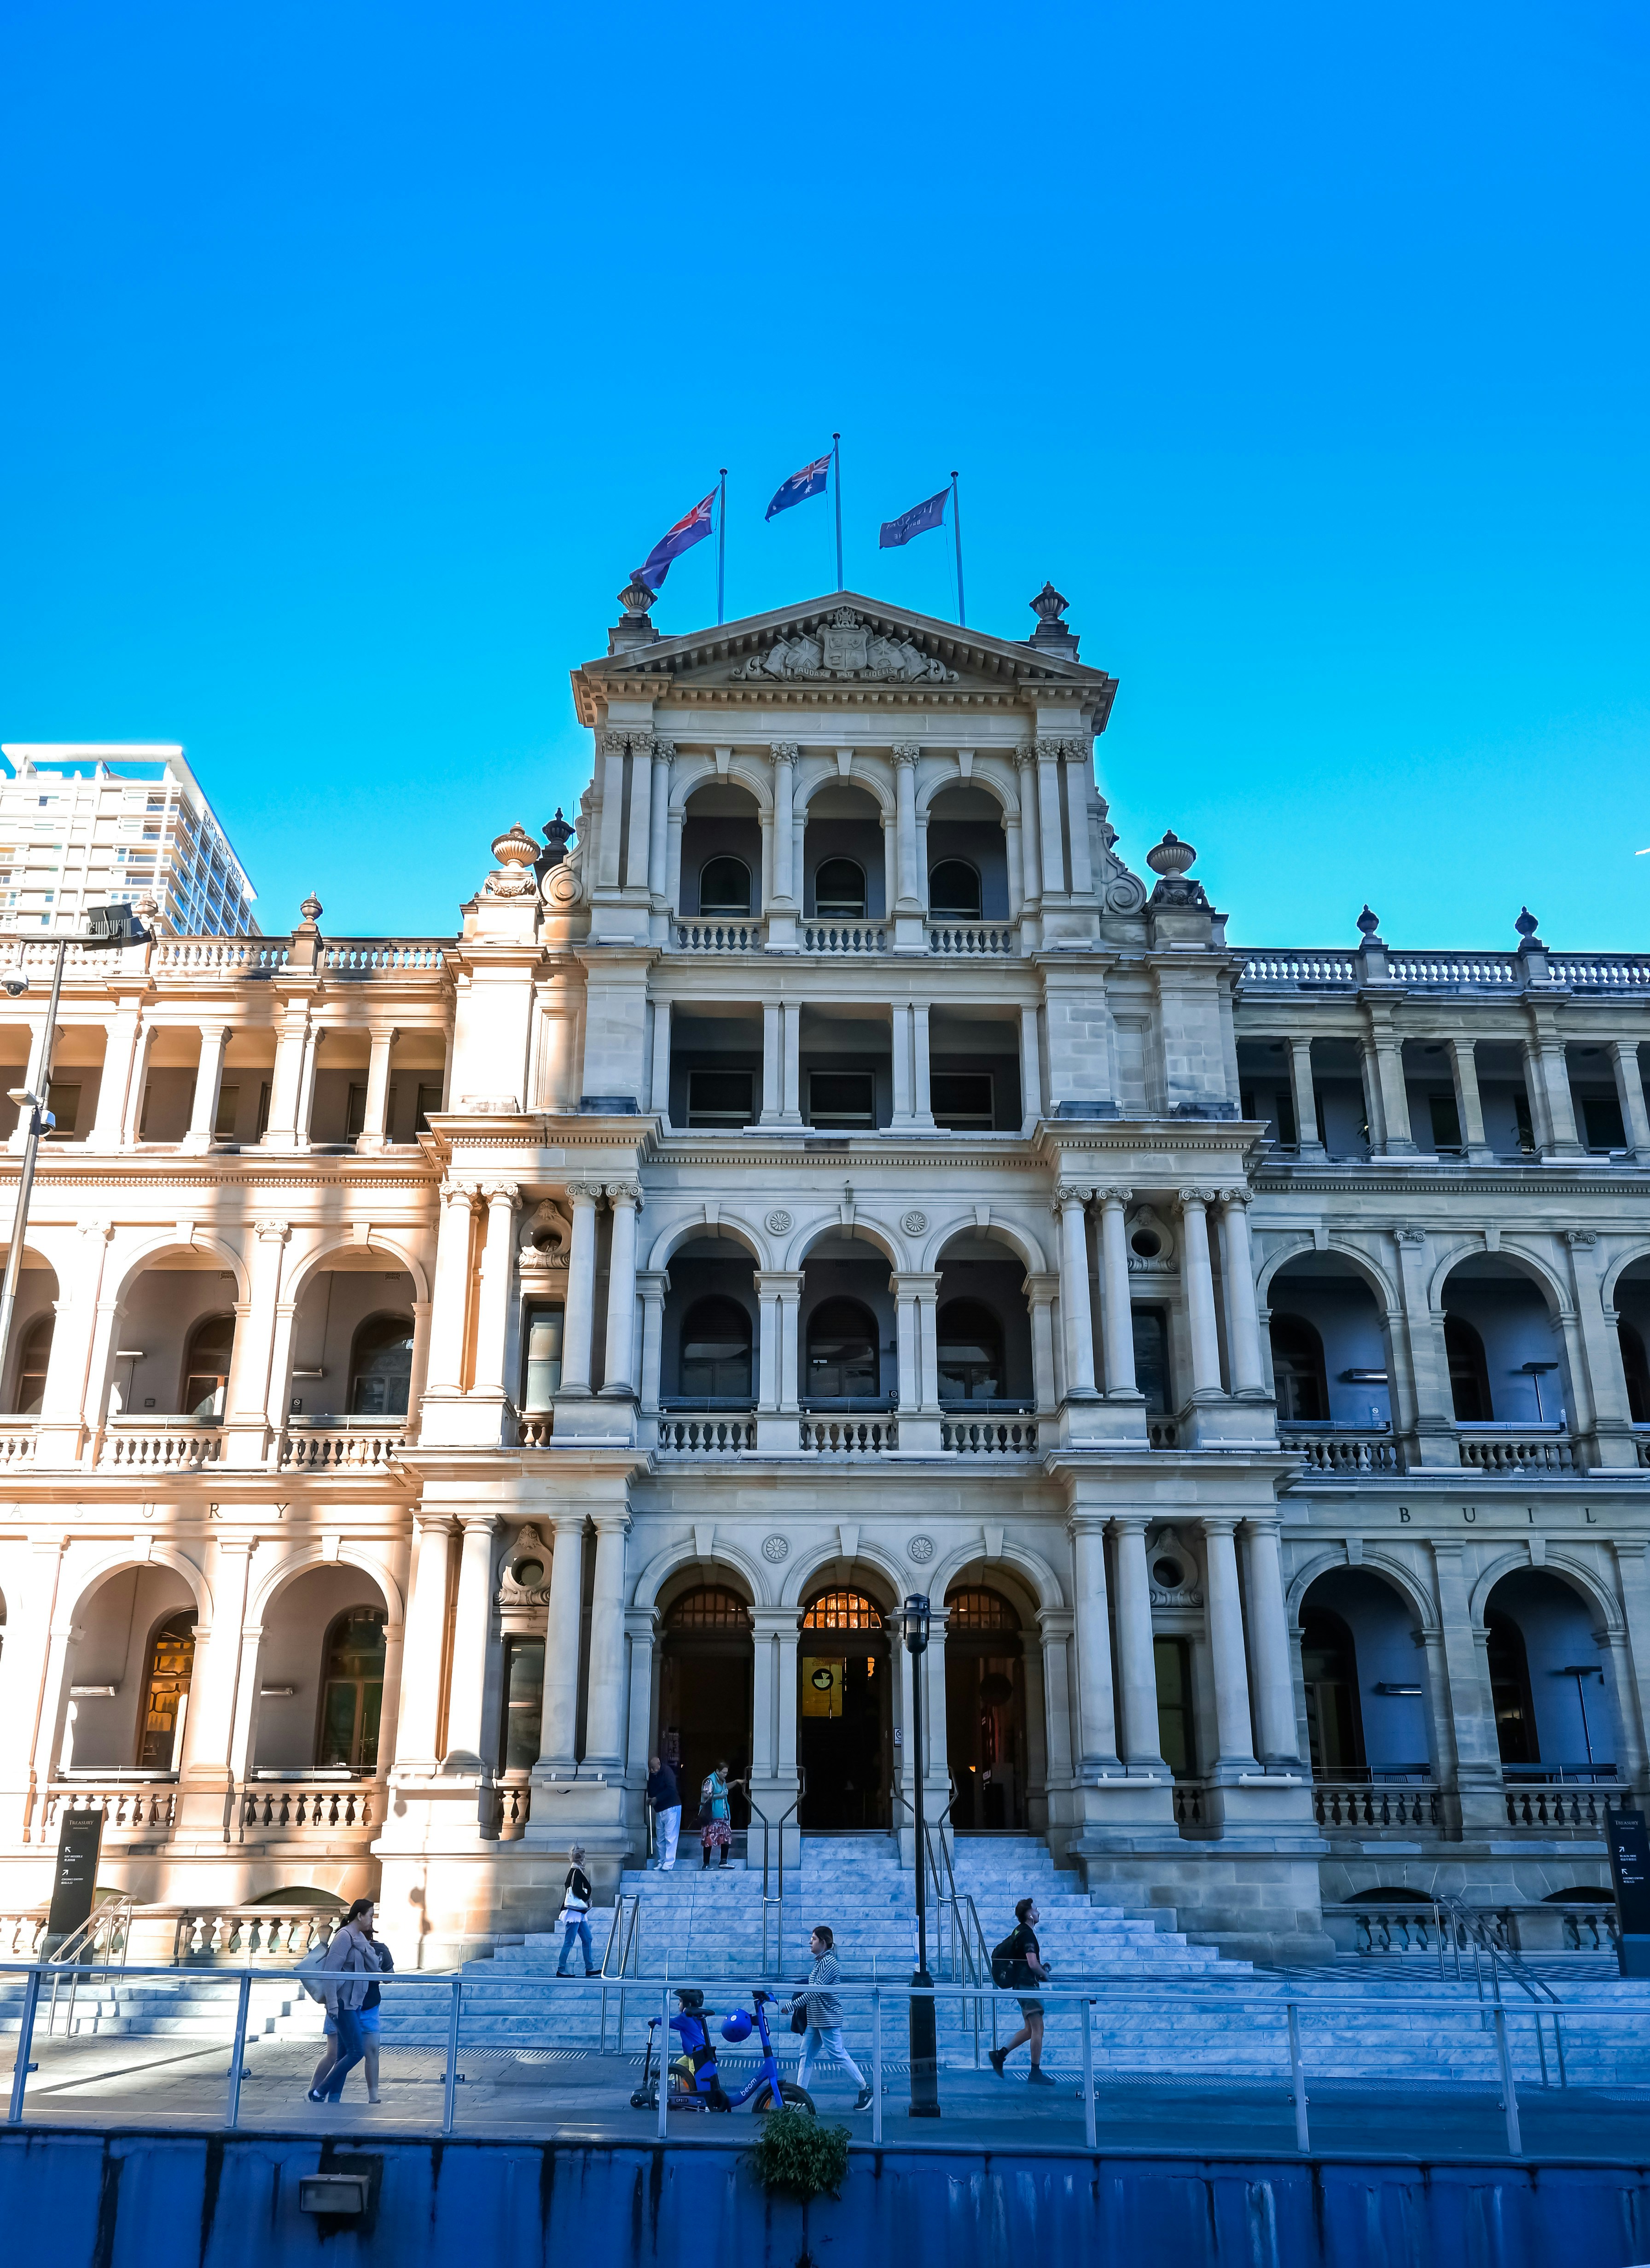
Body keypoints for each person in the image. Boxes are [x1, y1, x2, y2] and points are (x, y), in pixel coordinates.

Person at [309, 1904, 394, 2105]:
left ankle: (333, 2100)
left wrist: (366, 1947)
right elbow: (331, 1972)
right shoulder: (344, 1937)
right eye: (371, 1916)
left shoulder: (359, 1939)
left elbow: (374, 1968)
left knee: (344, 2054)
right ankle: (319, 2092)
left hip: (354, 2004)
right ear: (360, 1916)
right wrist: (332, 2004)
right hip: (342, 2003)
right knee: (355, 2052)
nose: (373, 1920)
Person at [790, 1924, 873, 2111]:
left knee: (838, 2055)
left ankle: (864, 2089)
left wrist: (792, 2006)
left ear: (825, 1942)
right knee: (806, 2054)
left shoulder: (829, 1963)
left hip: (827, 2019)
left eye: (814, 1939)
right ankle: (800, 2094)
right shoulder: (820, 1962)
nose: (810, 1942)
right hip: (817, 2018)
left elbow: (815, 1991)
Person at [989, 1896, 1054, 2086]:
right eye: (1036, 1910)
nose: (1038, 1912)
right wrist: (1044, 1974)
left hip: (1021, 1985)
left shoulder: (1018, 1931)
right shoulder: (1027, 1934)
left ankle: (1000, 2055)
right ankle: (1035, 2072)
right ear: (1029, 1915)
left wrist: (1040, 1970)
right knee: (1038, 2029)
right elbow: (1032, 1964)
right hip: (1027, 1986)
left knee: (1029, 2030)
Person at [555, 1844, 597, 1976]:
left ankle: (589, 1968)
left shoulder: (575, 1871)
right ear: (581, 1860)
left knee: (587, 1938)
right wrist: (587, 1900)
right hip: (574, 1912)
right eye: (584, 1858)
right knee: (570, 1941)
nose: (585, 1861)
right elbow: (576, 1890)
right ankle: (561, 1969)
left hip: (577, 1913)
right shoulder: (576, 1872)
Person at [697, 1759, 744, 1869]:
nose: (725, 1774)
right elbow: (705, 1795)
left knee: (726, 1837)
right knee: (709, 1839)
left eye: (726, 1773)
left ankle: (723, 1861)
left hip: (723, 1815)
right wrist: (720, 1796)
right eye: (724, 1772)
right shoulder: (710, 1780)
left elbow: (726, 1787)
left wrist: (737, 1781)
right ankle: (706, 1864)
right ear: (718, 1771)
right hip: (711, 1815)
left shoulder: (722, 1781)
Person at [646, 1754, 681, 1871]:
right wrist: (651, 1798)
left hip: (672, 1807)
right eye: (650, 1768)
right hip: (660, 1809)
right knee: (660, 1838)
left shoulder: (667, 1772)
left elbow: (671, 1789)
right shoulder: (653, 1775)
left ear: (659, 1764)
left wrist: (657, 1799)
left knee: (670, 1836)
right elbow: (651, 1789)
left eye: (653, 1768)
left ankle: (669, 1862)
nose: (652, 1770)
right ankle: (662, 1861)